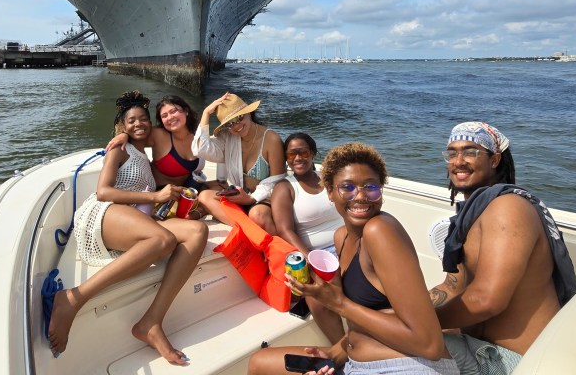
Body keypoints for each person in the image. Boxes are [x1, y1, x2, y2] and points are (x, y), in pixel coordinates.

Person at [247, 142, 459, 375]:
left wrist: (338, 302)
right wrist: (335, 352)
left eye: (371, 187)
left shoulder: (380, 230)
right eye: (347, 187)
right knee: (260, 363)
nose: (360, 197)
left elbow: (429, 344)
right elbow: (372, 314)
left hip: (408, 366)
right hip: (354, 358)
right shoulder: (342, 237)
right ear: (329, 192)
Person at [48, 91, 209, 365]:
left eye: (143, 119)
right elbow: (102, 192)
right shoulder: (119, 150)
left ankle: (151, 322)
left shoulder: (143, 153)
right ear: (122, 126)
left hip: (133, 217)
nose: (139, 124)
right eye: (131, 121)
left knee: (197, 233)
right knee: (163, 239)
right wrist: (154, 196)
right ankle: (73, 298)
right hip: (102, 214)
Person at [431, 121, 576, 374]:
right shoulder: (469, 218)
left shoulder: (507, 207)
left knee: (378, 341)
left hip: (513, 361)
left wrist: (416, 324)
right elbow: (450, 287)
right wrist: (396, 309)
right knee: (376, 330)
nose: (458, 161)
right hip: (478, 350)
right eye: (452, 153)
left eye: (470, 152)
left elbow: (487, 301)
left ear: (495, 159)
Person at [271, 132, 344, 344]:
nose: (298, 158)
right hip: (318, 253)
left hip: (346, 243)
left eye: (303, 152)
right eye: (291, 154)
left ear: (312, 153)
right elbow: (285, 230)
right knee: (316, 294)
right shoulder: (285, 188)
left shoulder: (329, 178)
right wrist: (311, 259)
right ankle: (343, 348)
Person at [191, 92, 285, 230]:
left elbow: (278, 181)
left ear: (248, 112)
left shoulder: (271, 138)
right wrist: (206, 113)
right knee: (205, 196)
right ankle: (249, 229)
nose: (236, 126)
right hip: (240, 197)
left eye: (239, 118)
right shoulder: (228, 137)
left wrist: (250, 199)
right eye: (229, 124)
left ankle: (247, 228)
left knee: (257, 214)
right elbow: (200, 150)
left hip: (264, 200)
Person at [106, 94, 206, 217]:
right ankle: (197, 214)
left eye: (173, 111)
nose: (170, 117)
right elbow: (137, 132)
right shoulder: (158, 135)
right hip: (160, 195)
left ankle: (200, 213)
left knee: (217, 190)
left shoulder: (198, 135)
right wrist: (123, 135)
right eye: (164, 115)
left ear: (186, 111)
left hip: (183, 191)